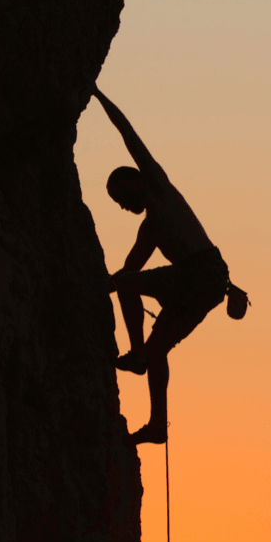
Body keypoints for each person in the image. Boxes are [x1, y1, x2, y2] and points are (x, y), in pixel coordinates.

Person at [94, 86, 229, 445]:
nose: (123, 206)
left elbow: (128, 134)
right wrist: (98, 285)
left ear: (135, 181)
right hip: (203, 284)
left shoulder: (157, 185)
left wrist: (97, 94)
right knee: (158, 349)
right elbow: (126, 274)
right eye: (118, 204)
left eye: (122, 196)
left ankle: (137, 354)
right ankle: (157, 424)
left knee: (129, 293)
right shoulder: (150, 226)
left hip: (201, 272)